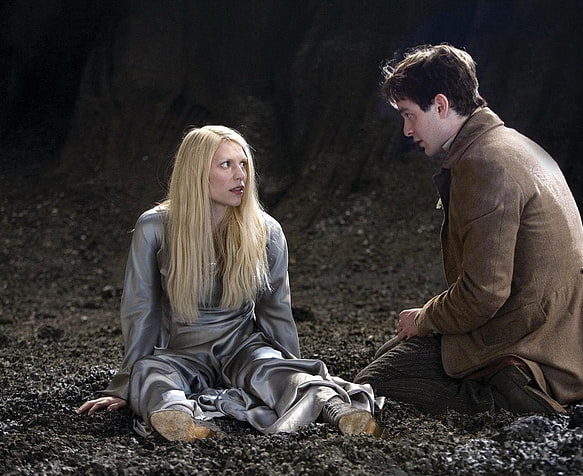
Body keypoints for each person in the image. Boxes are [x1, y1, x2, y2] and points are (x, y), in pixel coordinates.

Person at [355, 44, 583, 415]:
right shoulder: (507, 143)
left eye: (409, 114)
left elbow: (483, 294)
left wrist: (426, 317)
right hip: (570, 331)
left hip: (542, 342)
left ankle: (513, 395)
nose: (407, 129)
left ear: (441, 104)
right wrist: (428, 321)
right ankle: (509, 381)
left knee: (376, 383)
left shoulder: (485, 164)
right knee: (393, 351)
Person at [77, 125, 385, 441]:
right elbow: (142, 310)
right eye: (226, 165)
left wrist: (292, 370)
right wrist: (124, 385)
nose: (241, 176)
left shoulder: (267, 230)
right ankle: (177, 420)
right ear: (197, 172)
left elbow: (276, 312)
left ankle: (337, 410)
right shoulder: (154, 227)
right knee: (150, 373)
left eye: (243, 164)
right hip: (183, 353)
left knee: (274, 369)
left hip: (244, 348)